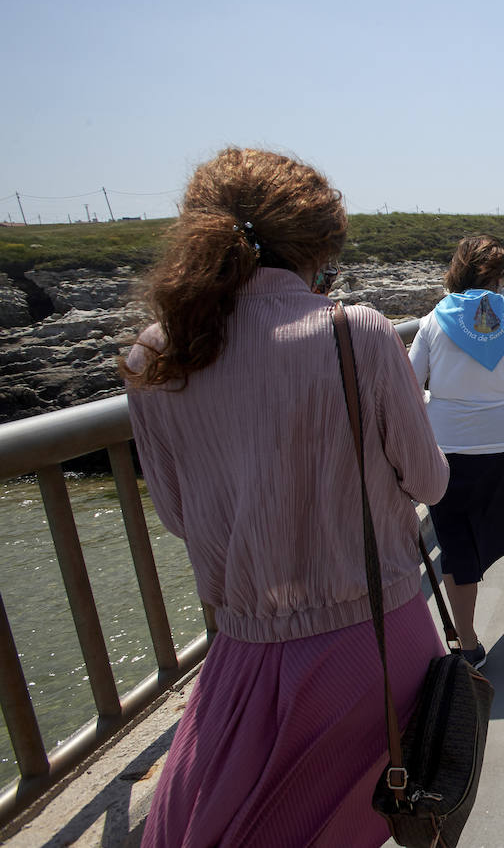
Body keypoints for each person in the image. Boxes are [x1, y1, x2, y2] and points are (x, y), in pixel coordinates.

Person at [122, 148, 451, 846]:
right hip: (374, 641)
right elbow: (430, 482)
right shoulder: (354, 332)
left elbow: (178, 515)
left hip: (245, 650)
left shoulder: (155, 354)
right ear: (317, 250)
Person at [409, 236, 504, 669]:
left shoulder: (432, 322)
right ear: (498, 279)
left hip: (448, 451)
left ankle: (469, 644)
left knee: (456, 545)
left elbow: (408, 385)